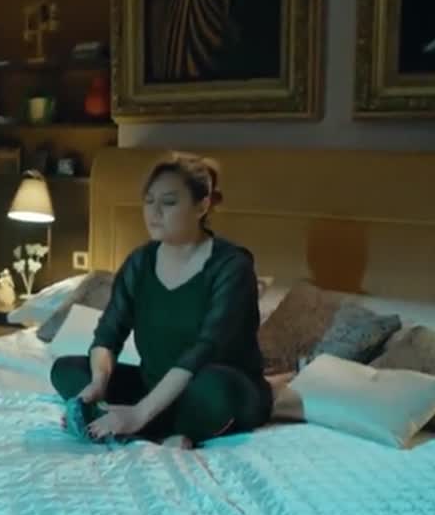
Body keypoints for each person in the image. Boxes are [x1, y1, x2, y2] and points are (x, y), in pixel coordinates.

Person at [49, 153, 271, 449]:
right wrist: (98, 384)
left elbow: (204, 350)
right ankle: (158, 426)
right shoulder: (140, 262)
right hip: (153, 385)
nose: (154, 212)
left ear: (202, 206)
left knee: (215, 388)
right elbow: (108, 334)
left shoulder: (231, 266)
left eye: (168, 202)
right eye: (149, 201)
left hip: (216, 385)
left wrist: (140, 413)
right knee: (66, 369)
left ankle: (142, 424)